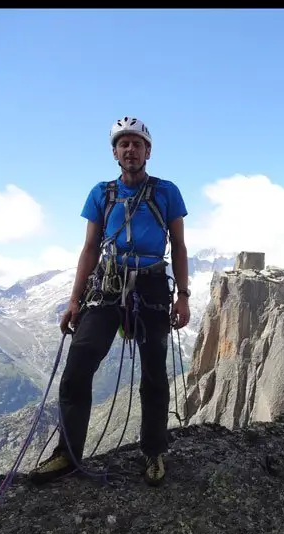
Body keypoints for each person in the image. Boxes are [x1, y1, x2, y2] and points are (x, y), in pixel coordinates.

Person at [30, 116, 191, 487]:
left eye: (137, 143)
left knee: (154, 374)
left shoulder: (167, 192)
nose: (130, 149)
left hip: (151, 287)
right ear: (115, 152)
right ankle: (67, 455)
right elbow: (89, 248)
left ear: (148, 151)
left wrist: (182, 297)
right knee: (79, 363)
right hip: (106, 286)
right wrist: (74, 301)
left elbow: (179, 246)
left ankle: (153, 451)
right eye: (124, 144)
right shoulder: (101, 194)